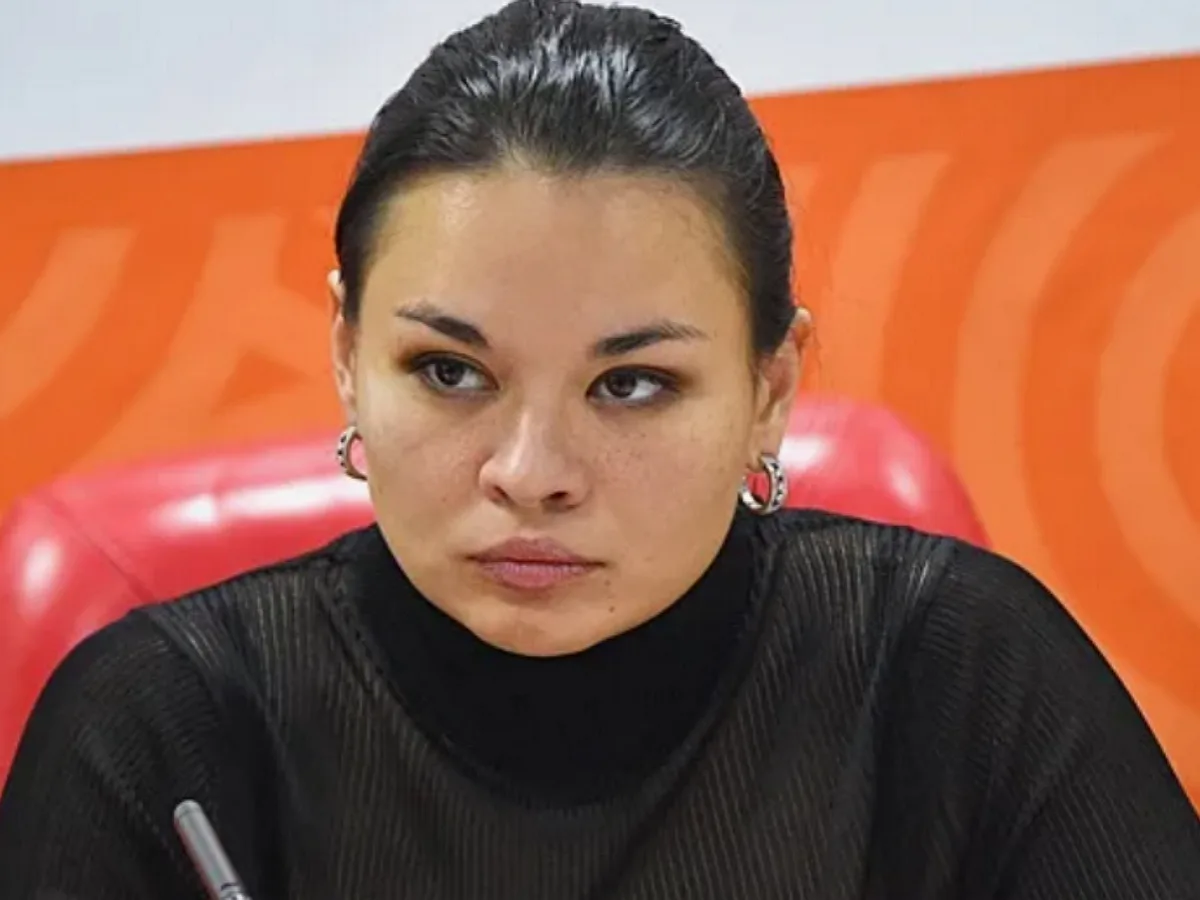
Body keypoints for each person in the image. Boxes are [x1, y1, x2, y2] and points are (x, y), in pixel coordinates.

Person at [1, 0, 1197, 896]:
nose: (530, 473)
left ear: (770, 388)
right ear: (347, 354)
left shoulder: (959, 673)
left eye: (631, 384)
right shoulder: (159, 733)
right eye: (450, 371)